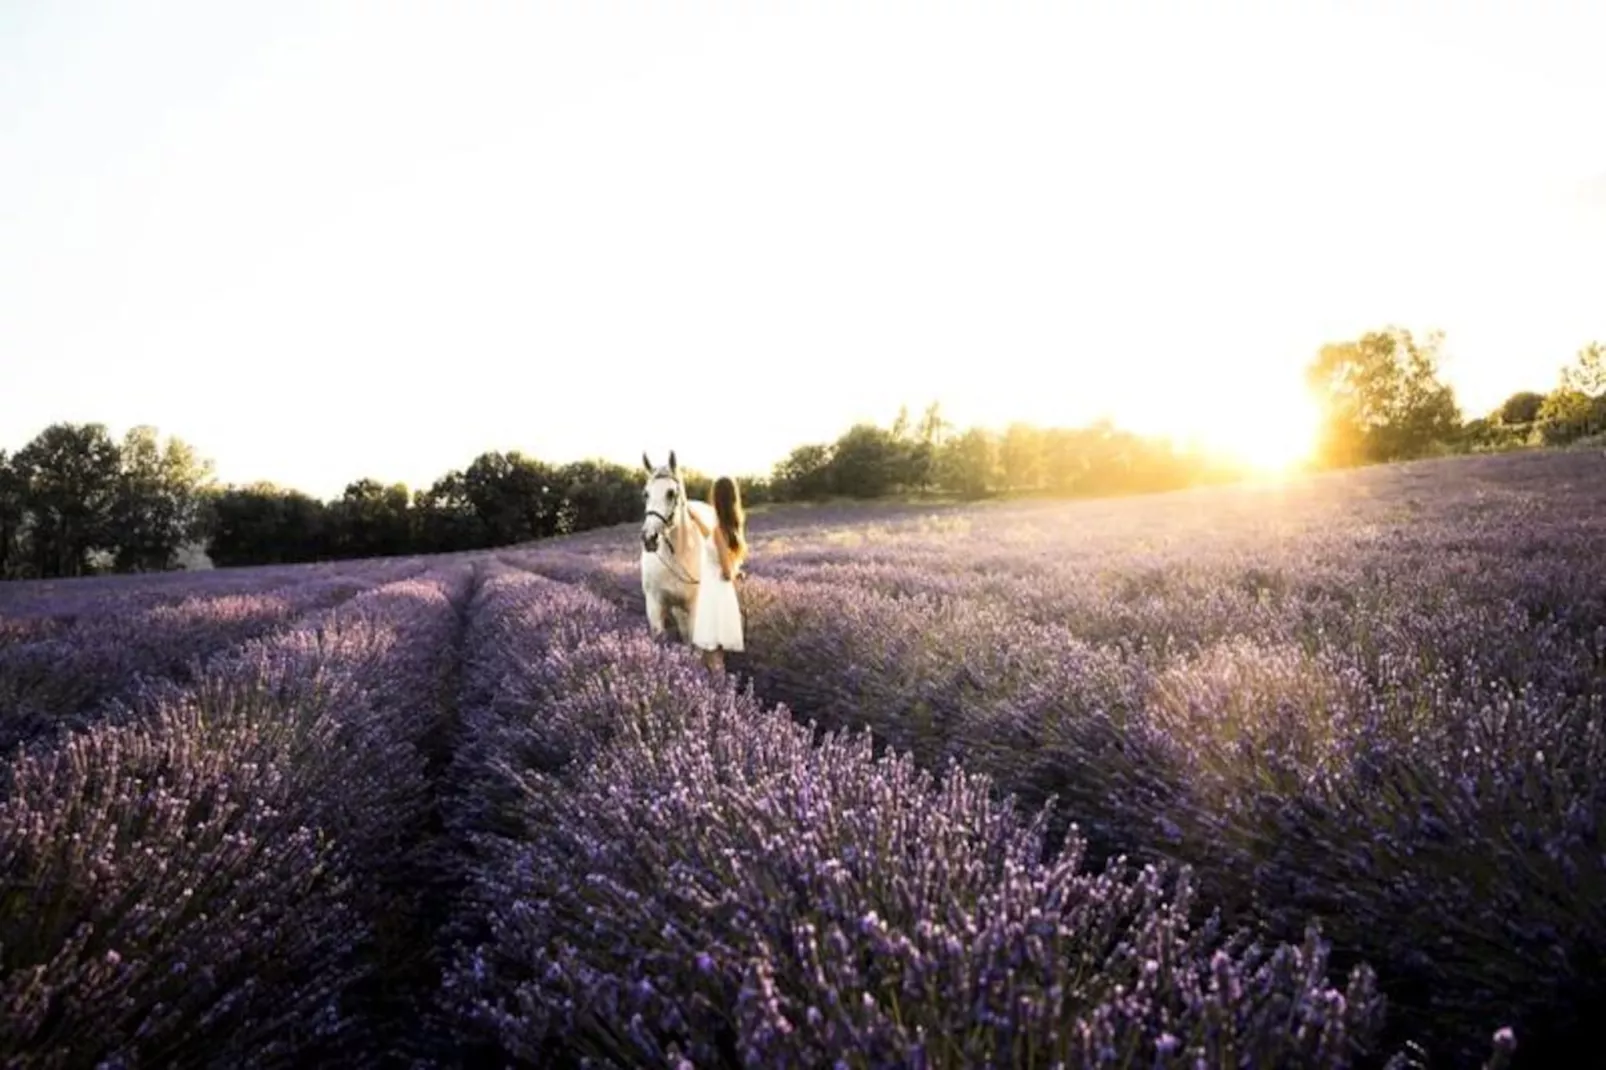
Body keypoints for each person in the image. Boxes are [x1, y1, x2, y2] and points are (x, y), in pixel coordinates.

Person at [687, 475, 746, 675]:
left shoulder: (720, 530)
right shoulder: (727, 528)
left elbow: (727, 572)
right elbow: (713, 541)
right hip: (719, 593)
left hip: (714, 593)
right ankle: (716, 688)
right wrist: (696, 519)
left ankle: (720, 689)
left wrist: (733, 572)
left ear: (717, 498)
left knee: (712, 652)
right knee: (710, 651)